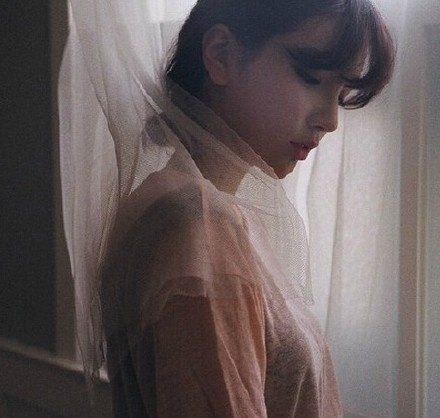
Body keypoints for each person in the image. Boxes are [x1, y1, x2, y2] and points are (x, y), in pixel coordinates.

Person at [61, 0, 395, 416]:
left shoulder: (184, 205)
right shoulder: (201, 222)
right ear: (220, 56)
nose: (330, 120)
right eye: (310, 77)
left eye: (341, 94)